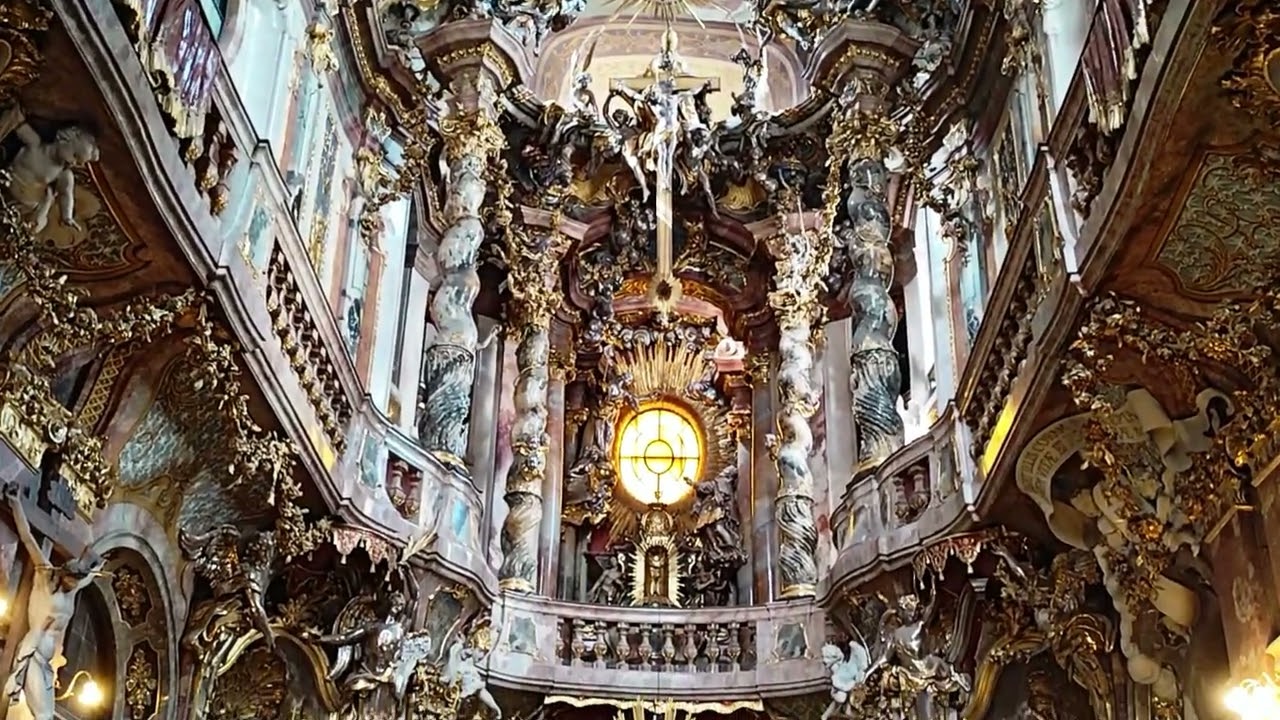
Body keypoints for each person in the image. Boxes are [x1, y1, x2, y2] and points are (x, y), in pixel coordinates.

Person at [3, 482, 106, 720]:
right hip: (33, 654)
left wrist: (96, 565)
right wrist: (17, 504)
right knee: (43, 717)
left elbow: (90, 576)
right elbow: (28, 539)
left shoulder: (74, 587)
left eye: (77, 581)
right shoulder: (45, 575)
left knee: (46, 715)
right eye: (72, 580)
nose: (74, 585)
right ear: (64, 575)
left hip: (47, 664)